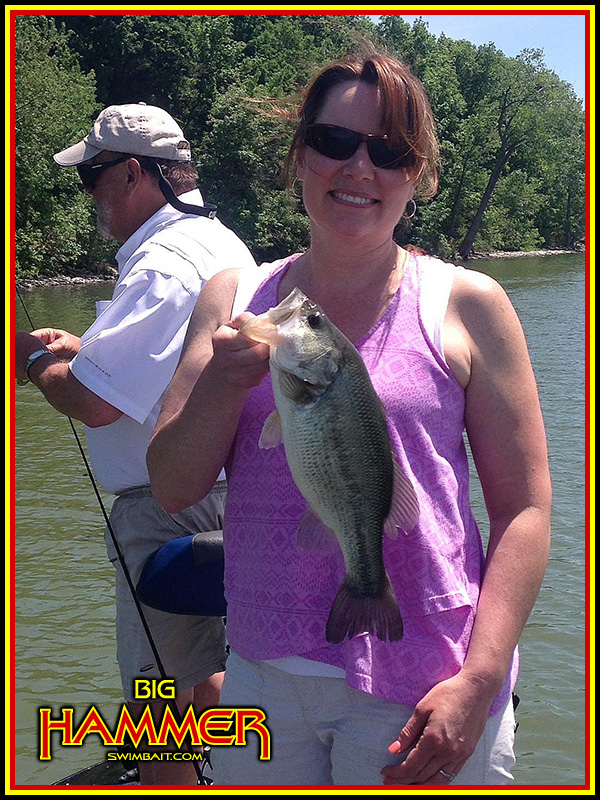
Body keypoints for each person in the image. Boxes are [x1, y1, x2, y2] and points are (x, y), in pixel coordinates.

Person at [146, 53, 551, 786]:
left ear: (419, 175)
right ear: (301, 154)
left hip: (429, 675)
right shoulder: (233, 297)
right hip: (264, 671)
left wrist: (482, 679)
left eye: (389, 151)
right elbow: (173, 487)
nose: (359, 167)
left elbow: (524, 509)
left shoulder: (470, 304)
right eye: (335, 141)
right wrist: (223, 385)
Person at [14, 103, 257, 785]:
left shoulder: (161, 263)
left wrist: (30, 358)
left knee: (158, 706)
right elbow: (167, 367)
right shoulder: (221, 244)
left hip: (166, 509)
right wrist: (84, 351)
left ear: (131, 173)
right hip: (231, 498)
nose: (88, 194)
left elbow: (94, 404)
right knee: (207, 672)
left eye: (90, 176)